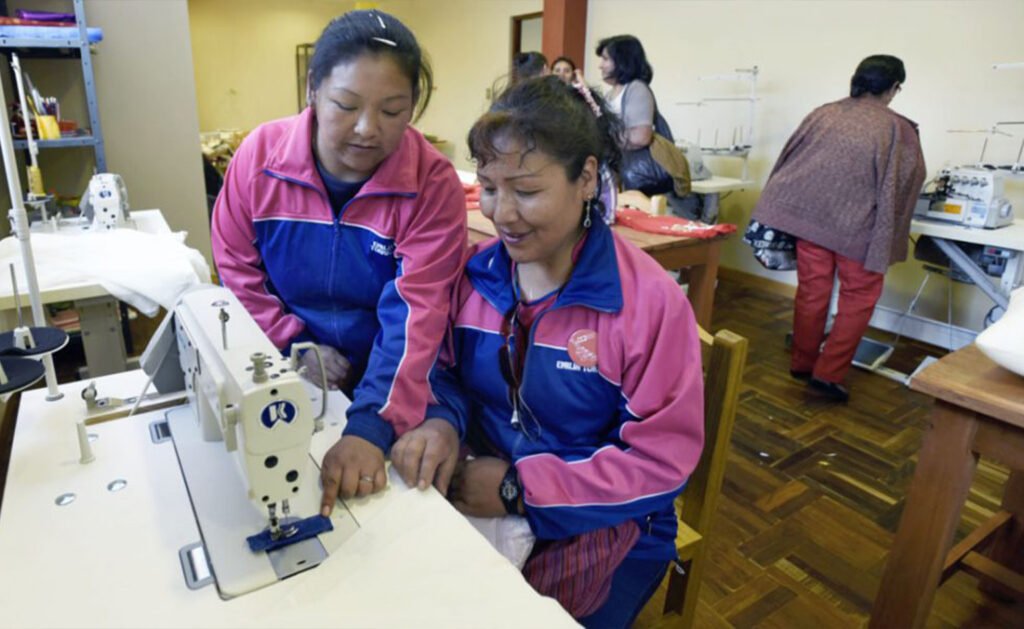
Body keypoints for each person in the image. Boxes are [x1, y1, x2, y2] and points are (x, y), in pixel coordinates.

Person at [394, 76, 705, 627]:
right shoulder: (477, 277)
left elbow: (659, 464)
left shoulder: (647, 305)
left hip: (613, 522)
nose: (501, 213)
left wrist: (521, 489)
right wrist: (442, 422)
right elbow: (441, 374)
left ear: (586, 178)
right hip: (485, 487)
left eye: (527, 191)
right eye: (489, 187)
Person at [210, 10, 467, 513]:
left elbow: (416, 315)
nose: (368, 130)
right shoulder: (258, 160)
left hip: (397, 371)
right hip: (291, 356)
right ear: (312, 90)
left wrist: (372, 424)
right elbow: (237, 271)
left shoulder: (431, 184)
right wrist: (291, 341)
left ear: (413, 105)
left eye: (393, 111)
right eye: (345, 105)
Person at [751, 55, 926, 402]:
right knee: (858, 299)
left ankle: (802, 363)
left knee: (812, 292)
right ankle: (826, 376)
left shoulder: (824, 113)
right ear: (893, 88)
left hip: (811, 222)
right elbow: (908, 181)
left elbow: (791, 158)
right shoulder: (897, 128)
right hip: (859, 232)